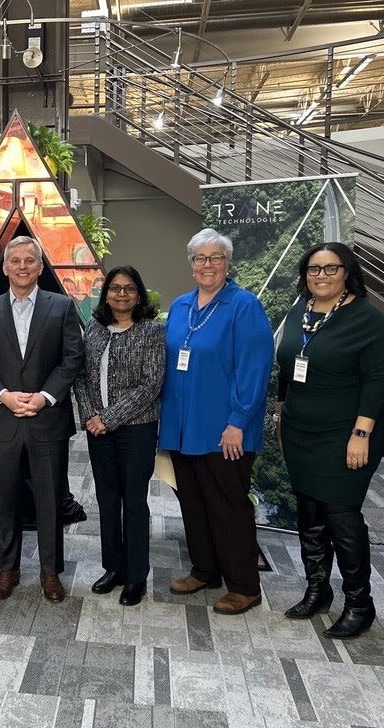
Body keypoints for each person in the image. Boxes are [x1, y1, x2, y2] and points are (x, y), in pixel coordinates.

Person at [276, 243, 384, 639]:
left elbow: (378, 380)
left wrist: (361, 433)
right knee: (309, 515)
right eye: (313, 269)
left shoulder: (367, 319)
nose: (321, 276)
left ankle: (360, 604)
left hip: (345, 435)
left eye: (330, 269)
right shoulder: (301, 311)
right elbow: (287, 367)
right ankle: (317, 590)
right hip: (300, 430)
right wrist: (281, 413)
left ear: (347, 272)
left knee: (342, 518)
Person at [159, 228, 273, 615]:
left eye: (215, 258)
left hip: (226, 430)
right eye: (200, 259)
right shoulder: (180, 305)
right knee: (192, 503)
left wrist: (238, 421)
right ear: (191, 265)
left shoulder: (244, 306)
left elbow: (255, 369)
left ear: (227, 263)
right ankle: (205, 570)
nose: (207, 265)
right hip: (182, 428)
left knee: (228, 506)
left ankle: (244, 585)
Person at [0, 235, 83, 603]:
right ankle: (9, 569)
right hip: (4, 420)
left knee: (50, 499)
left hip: (47, 419)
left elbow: (71, 359)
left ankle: (51, 573)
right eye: (14, 261)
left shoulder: (62, 307)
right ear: (4, 268)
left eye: (29, 261)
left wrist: (44, 396)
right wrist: (2, 394)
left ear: (40, 265)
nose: (21, 267)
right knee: (6, 499)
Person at [74, 265, 164, 607]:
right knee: (108, 500)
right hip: (98, 430)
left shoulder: (151, 332)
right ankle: (113, 567)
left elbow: (151, 385)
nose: (121, 294)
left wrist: (108, 419)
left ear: (138, 295)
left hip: (137, 429)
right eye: (115, 288)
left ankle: (136, 576)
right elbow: (80, 377)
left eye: (129, 288)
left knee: (134, 502)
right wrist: (89, 417)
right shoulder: (95, 330)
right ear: (106, 293)